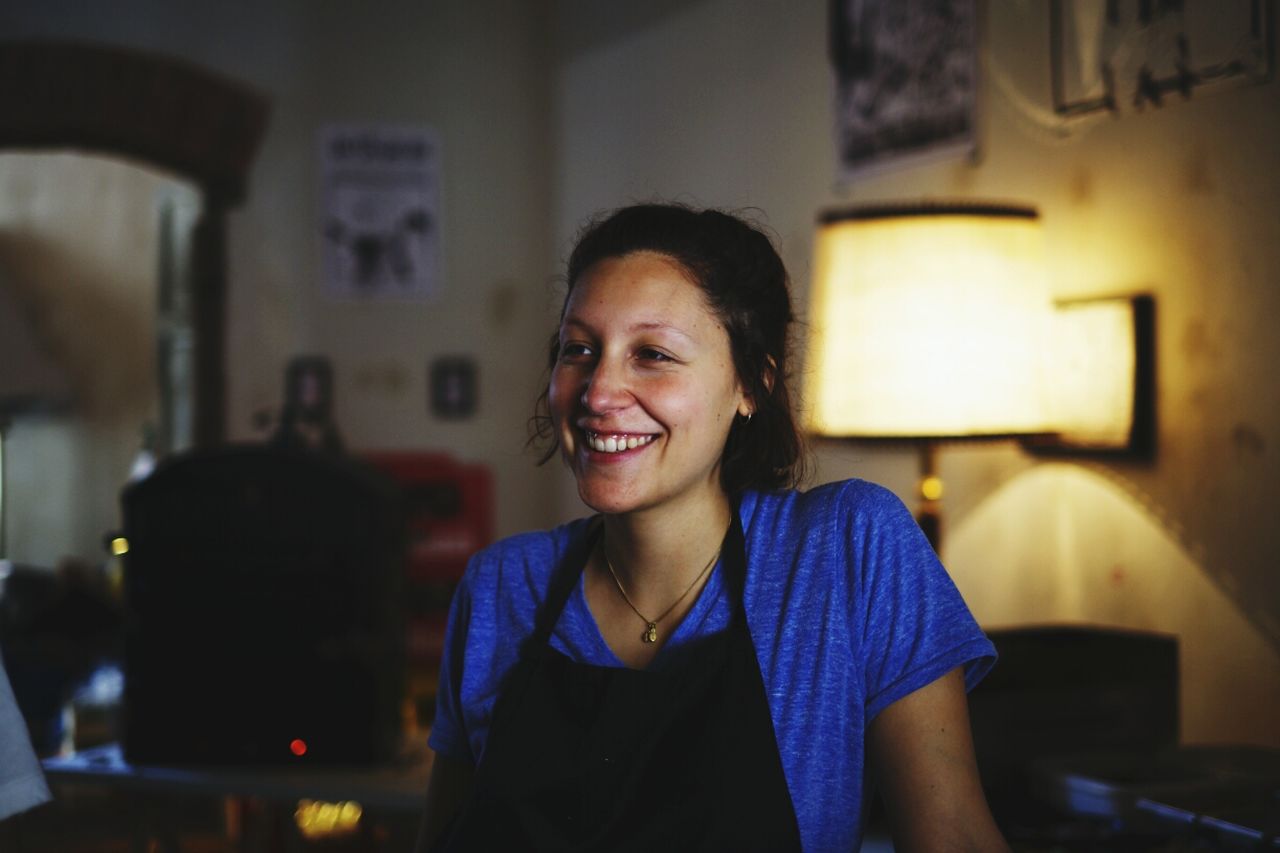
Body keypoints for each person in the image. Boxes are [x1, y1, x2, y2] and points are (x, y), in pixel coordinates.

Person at [416, 203, 1008, 852]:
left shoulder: (848, 550)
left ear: (751, 383)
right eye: (579, 348)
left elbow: (954, 837)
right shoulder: (503, 585)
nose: (598, 390)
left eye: (654, 354)